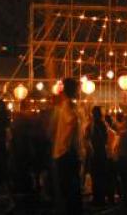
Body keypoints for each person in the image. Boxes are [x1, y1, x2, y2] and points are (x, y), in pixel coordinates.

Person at [52, 78, 82, 214]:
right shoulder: (68, 106)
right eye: (77, 89)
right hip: (66, 153)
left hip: (65, 152)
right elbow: (72, 122)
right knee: (70, 188)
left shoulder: (68, 106)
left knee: (68, 188)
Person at [86, 106, 108, 207]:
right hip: (102, 153)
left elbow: (86, 138)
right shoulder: (104, 125)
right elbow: (106, 139)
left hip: (94, 153)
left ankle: (97, 198)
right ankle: (101, 198)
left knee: (95, 177)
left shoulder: (91, 125)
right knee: (102, 176)